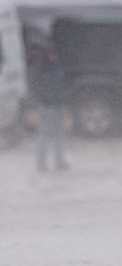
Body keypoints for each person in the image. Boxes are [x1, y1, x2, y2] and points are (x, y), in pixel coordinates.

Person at [28, 41, 70, 171]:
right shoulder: (39, 69)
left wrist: (64, 101)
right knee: (43, 135)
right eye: (51, 54)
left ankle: (58, 161)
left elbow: (62, 86)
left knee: (58, 135)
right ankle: (41, 163)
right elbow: (34, 88)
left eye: (54, 54)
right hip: (45, 107)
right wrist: (39, 101)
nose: (53, 56)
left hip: (56, 106)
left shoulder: (57, 67)